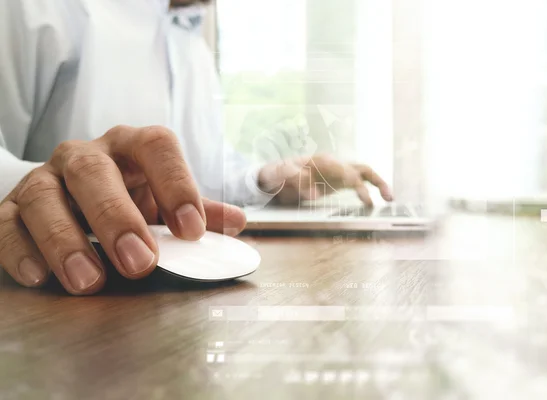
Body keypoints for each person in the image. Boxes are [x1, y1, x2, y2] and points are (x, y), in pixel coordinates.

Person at [0, 0, 393, 295]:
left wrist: (271, 178)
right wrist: (29, 187)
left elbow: (200, 179)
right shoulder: (38, 9)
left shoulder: (190, 40)